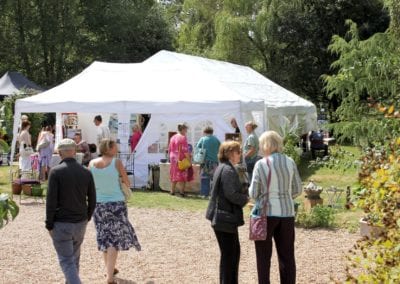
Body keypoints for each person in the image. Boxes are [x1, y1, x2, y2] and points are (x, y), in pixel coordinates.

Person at [249, 131, 302, 284]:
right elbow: (298, 189)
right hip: (287, 214)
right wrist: (284, 196)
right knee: (287, 256)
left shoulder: (261, 163)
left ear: (265, 145)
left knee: (263, 258)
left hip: (265, 214)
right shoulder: (290, 161)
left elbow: (253, 192)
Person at [88, 139, 141, 284]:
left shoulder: (92, 163)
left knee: (104, 237)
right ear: (110, 148)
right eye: (115, 146)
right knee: (113, 241)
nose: (117, 148)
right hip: (116, 204)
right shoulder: (116, 162)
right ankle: (110, 277)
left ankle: (109, 269)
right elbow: (127, 182)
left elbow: (89, 183)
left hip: (98, 204)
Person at [45, 138, 96, 284]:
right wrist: (87, 217)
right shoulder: (86, 172)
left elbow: (51, 201)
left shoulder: (56, 172)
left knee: (67, 261)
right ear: (74, 152)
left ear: (60, 153)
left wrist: (49, 224)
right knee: (74, 259)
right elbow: (92, 198)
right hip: (80, 222)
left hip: (61, 222)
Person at [206, 141, 249, 284]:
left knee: (231, 254)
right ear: (230, 153)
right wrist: (246, 198)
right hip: (224, 217)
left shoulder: (224, 167)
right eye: (238, 152)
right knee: (230, 256)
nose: (240, 154)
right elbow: (231, 194)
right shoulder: (228, 170)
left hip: (223, 217)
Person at [168, 123, 192, 197]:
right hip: (180, 158)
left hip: (173, 158)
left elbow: (169, 149)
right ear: (183, 129)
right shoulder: (183, 137)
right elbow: (185, 151)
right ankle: (182, 192)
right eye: (186, 130)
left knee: (174, 174)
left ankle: (172, 191)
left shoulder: (173, 137)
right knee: (182, 175)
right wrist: (189, 160)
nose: (186, 131)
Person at [195, 126, 220, 198]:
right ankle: (213, 194)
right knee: (214, 179)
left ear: (204, 132)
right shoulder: (216, 139)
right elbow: (220, 149)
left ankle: (204, 194)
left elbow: (197, 147)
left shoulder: (203, 139)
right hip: (215, 162)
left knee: (204, 178)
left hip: (205, 161)